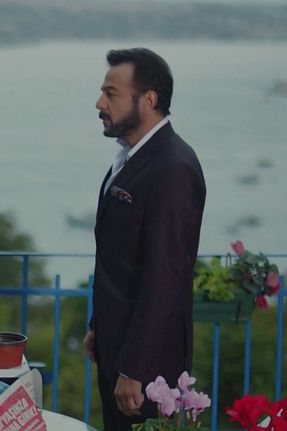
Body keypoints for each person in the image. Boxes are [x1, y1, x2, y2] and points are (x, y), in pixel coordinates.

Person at [82, 48, 206, 431]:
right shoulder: (131, 157)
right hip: (116, 348)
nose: (99, 103)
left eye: (111, 94)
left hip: (146, 372)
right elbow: (121, 258)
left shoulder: (173, 167)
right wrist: (98, 326)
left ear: (148, 99)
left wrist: (135, 369)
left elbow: (165, 278)